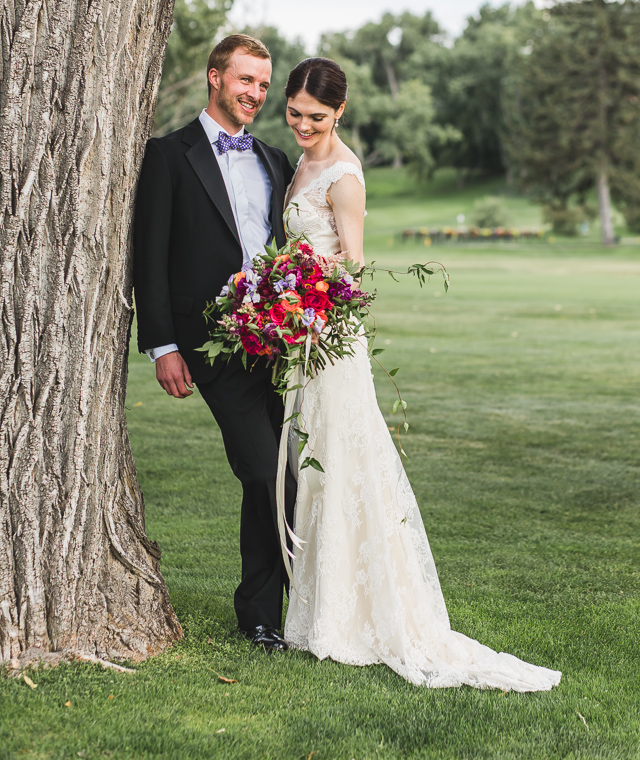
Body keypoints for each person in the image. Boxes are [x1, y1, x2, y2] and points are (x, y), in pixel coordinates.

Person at [281, 57, 562, 691]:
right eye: (294, 113)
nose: (302, 124)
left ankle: (366, 617)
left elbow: (351, 270)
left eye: (315, 117)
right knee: (318, 460)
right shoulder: (301, 163)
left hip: (332, 336)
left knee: (346, 458)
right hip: (302, 334)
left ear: (340, 113)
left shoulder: (344, 176)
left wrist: (294, 288)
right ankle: (324, 609)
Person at [133, 34, 297, 652]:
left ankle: (276, 609)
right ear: (215, 78)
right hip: (213, 346)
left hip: (283, 344)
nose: (254, 93)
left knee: (288, 476)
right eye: (244, 80)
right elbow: (148, 255)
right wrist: (162, 345)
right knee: (263, 471)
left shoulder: (275, 161)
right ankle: (259, 614)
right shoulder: (168, 156)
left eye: (262, 84)